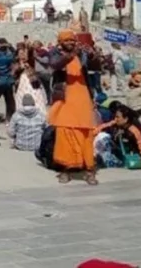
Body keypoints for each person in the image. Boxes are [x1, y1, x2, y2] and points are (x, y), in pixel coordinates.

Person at [49, 29, 98, 185]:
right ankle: (65, 170)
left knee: (85, 134)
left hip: (82, 97)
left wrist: (91, 54)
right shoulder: (55, 53)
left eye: (72, 40)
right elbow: (55, 65)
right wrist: (71, 55)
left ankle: (89, 170)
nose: (70, 43)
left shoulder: (81, 53)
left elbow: (96, 66)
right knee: (64, 134)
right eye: (67, 41)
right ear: (61, 42)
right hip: (64, 97)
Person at [94, 104, 141, 170]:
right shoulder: (115, 123)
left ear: (126, 119)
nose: (115, 119)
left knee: (104, 153)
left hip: (130, 156)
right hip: (118, 152)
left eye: (117, 117)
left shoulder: (134, 131)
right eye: (115, 117)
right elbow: (100, 128)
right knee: (101, 137)